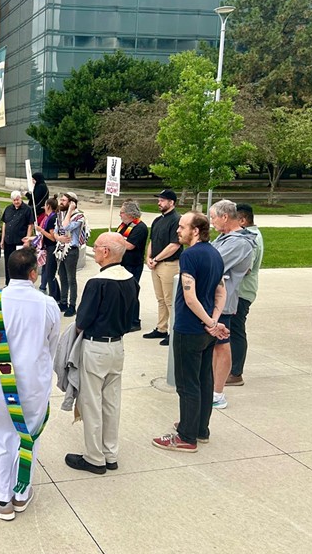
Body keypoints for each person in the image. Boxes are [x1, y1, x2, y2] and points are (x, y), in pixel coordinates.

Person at [0, 248, 61, 521]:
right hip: (34, 384)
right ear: (34, 273)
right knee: (28, 436)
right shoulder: (48, 304)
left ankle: (0, 499)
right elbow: (52, 344)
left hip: (0, 384)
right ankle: (20, 494)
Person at [152, 212, 227, 452]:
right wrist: (213, 321)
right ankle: (199, 428)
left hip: (189, 329)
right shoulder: (215, 253)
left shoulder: (190, 255)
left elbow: (190, 296)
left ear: (196, 230)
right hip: (206, 331)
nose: (178, 230)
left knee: (187, 385)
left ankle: (186, 437)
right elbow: (221, 291)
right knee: (204, 380)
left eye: (183, 227)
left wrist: (209, 322)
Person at [65, 233, 138, 474]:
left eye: (96, 248)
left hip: (96, 347)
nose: (94, 251)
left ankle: (94, 457)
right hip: (117, 346)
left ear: (106, 252)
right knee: (111, 402)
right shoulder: (130, 279)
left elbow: (83, 320)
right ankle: (110, 453)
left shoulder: (98, 283)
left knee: (92, 403)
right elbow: (132, 320)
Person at [209, 200, 255, 410]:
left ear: (225, 217)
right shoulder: (226, 237)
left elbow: (212, 263)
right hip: (212, 300)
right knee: (213, 346)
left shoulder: (240, 242)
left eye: (213, 217)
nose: (211, 222)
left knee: (221, 345)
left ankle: (218, 394)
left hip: (224, 303)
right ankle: (211, 387)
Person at [228, 203, 264, 387]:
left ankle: (236, 373)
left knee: (236, 331)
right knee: (234, 330)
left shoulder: (252, 238)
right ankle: (230, 369)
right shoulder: (248, 235)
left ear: (242, 220)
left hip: (242, 292)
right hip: (239, 290)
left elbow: (246, 268)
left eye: (234, 219)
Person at [144, 189, 182, 346]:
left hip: (170, 265)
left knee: (170, 300)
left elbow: (174, 245)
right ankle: (161, 328)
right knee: (160, 299)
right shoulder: (157, 220)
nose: (159, 202)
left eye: (162, 200)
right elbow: (152, 241)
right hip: (156, 265)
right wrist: (148, 258)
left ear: (171, 202)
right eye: (159, 200)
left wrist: (157, 258)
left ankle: (174, 332)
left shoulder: (177, 220)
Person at [116, 200, 149, 332]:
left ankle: (135, 321)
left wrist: (116, 240)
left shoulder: (140, 227)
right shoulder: (124, 225)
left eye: (122, 212)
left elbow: (130, 245)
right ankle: (124, 318)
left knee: (132, 293)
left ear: (130, 214)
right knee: (122, 293)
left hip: (133, 265)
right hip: (122, 263)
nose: (120, 215)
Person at [54, 192, 88, 317]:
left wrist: (70, 210)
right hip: (61, 248)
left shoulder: (79, 216)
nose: (60, 202)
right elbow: (57, 231)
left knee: (71, 278)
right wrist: (58, 238)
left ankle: (72, 305)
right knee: (62, 276)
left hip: (72, 250)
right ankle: (63, 302)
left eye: (63, 200)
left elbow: (66, 226)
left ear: (71, 202)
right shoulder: (60, 214)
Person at [0, 191, 35, 285]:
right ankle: (8, 283)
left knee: (19, 263)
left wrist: (27, 240)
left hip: (20, 241)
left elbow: (30, 225)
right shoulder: (8, 209)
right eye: (14, 200)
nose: (16, 202)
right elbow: (4, 224)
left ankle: (20, 283)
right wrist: (2, 239)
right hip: (8, 241)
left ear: (21, 198)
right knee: (8, 263)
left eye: (17, 199)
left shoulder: (27, 209)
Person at [33, 198, 61, 301]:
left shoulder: (52, 219)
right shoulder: (48, 217)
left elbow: (52, 237)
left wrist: (41, 230)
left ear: (48, 206)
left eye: (45, 205)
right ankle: (56, 295)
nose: (44, 208)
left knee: (50, 273)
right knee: (49, 272)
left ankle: (54, 296)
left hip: (51, 247)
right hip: (47, 247)